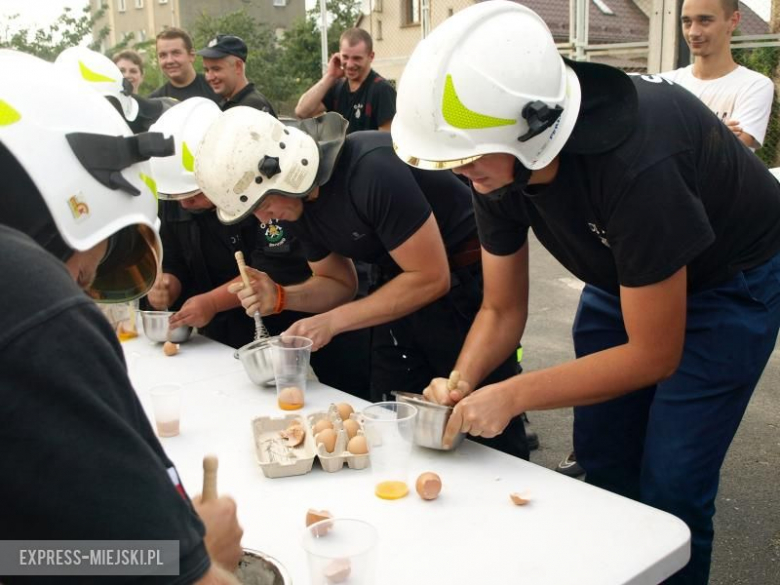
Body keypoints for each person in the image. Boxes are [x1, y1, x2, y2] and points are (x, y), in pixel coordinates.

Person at [390, 2, 780, 584]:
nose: (460, 173)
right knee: (604, 459)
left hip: (729, 284)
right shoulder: (496, 158)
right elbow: (501, 307)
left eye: (467, 159)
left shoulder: (638, 160)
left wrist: (513, 395)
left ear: (530, 132)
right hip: (619, 275)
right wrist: (464, 380)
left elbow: (655, 353)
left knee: (673, 485)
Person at [0, 50, 242, 583]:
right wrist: (197, 553)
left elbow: (19, 556)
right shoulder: (27, 297)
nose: (80, 287)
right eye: (88, 275)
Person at [196, 109, 530, 459]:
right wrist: (281, 296)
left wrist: (334, 321)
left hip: (468, 287)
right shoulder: (293, 205)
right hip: (398, 284)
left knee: (481, 425)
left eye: (263, 205)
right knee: (390, 419)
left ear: (286, 170)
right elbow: (339, 283)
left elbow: (432, 278)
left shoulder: (369, 169)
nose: (265, 220)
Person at [146, 98, 260, 349]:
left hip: (269, 325)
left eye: (194, 194)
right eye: (176, 196)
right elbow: (174, 256)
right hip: (212, 332)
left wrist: (213, 302)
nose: (184, 204)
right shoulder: (175, 191)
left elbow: (271, 267)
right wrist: (167, 283)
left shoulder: (255, 193)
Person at [662, 0, 774, 150]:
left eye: (705, 20)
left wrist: (672, 134)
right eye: (687, 22)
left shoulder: (755, 85)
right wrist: (713, 134)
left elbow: (731, 150)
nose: (693, 32)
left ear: (733, 21)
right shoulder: (666, 82)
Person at [295, 28, 396, 133]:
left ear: (371, 56)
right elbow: (302, 112)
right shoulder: (337, 87)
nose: (350, 64)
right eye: (345, 57)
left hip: (366, 150)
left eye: (357, 58)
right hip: (338, 149)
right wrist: (330, 76)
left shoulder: (382, 90)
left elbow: (385, 142)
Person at [198, 34, 277, 116]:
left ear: (238, 66)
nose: (209, 77)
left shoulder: (252, 108)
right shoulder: (225, 104)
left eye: (216, 69)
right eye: (206, 70)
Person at [149, 27, 220, 104]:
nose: (169, 61)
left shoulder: (217, 88)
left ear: (192, 55)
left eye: (176, 53)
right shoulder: (155, 102)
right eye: (163, 55)